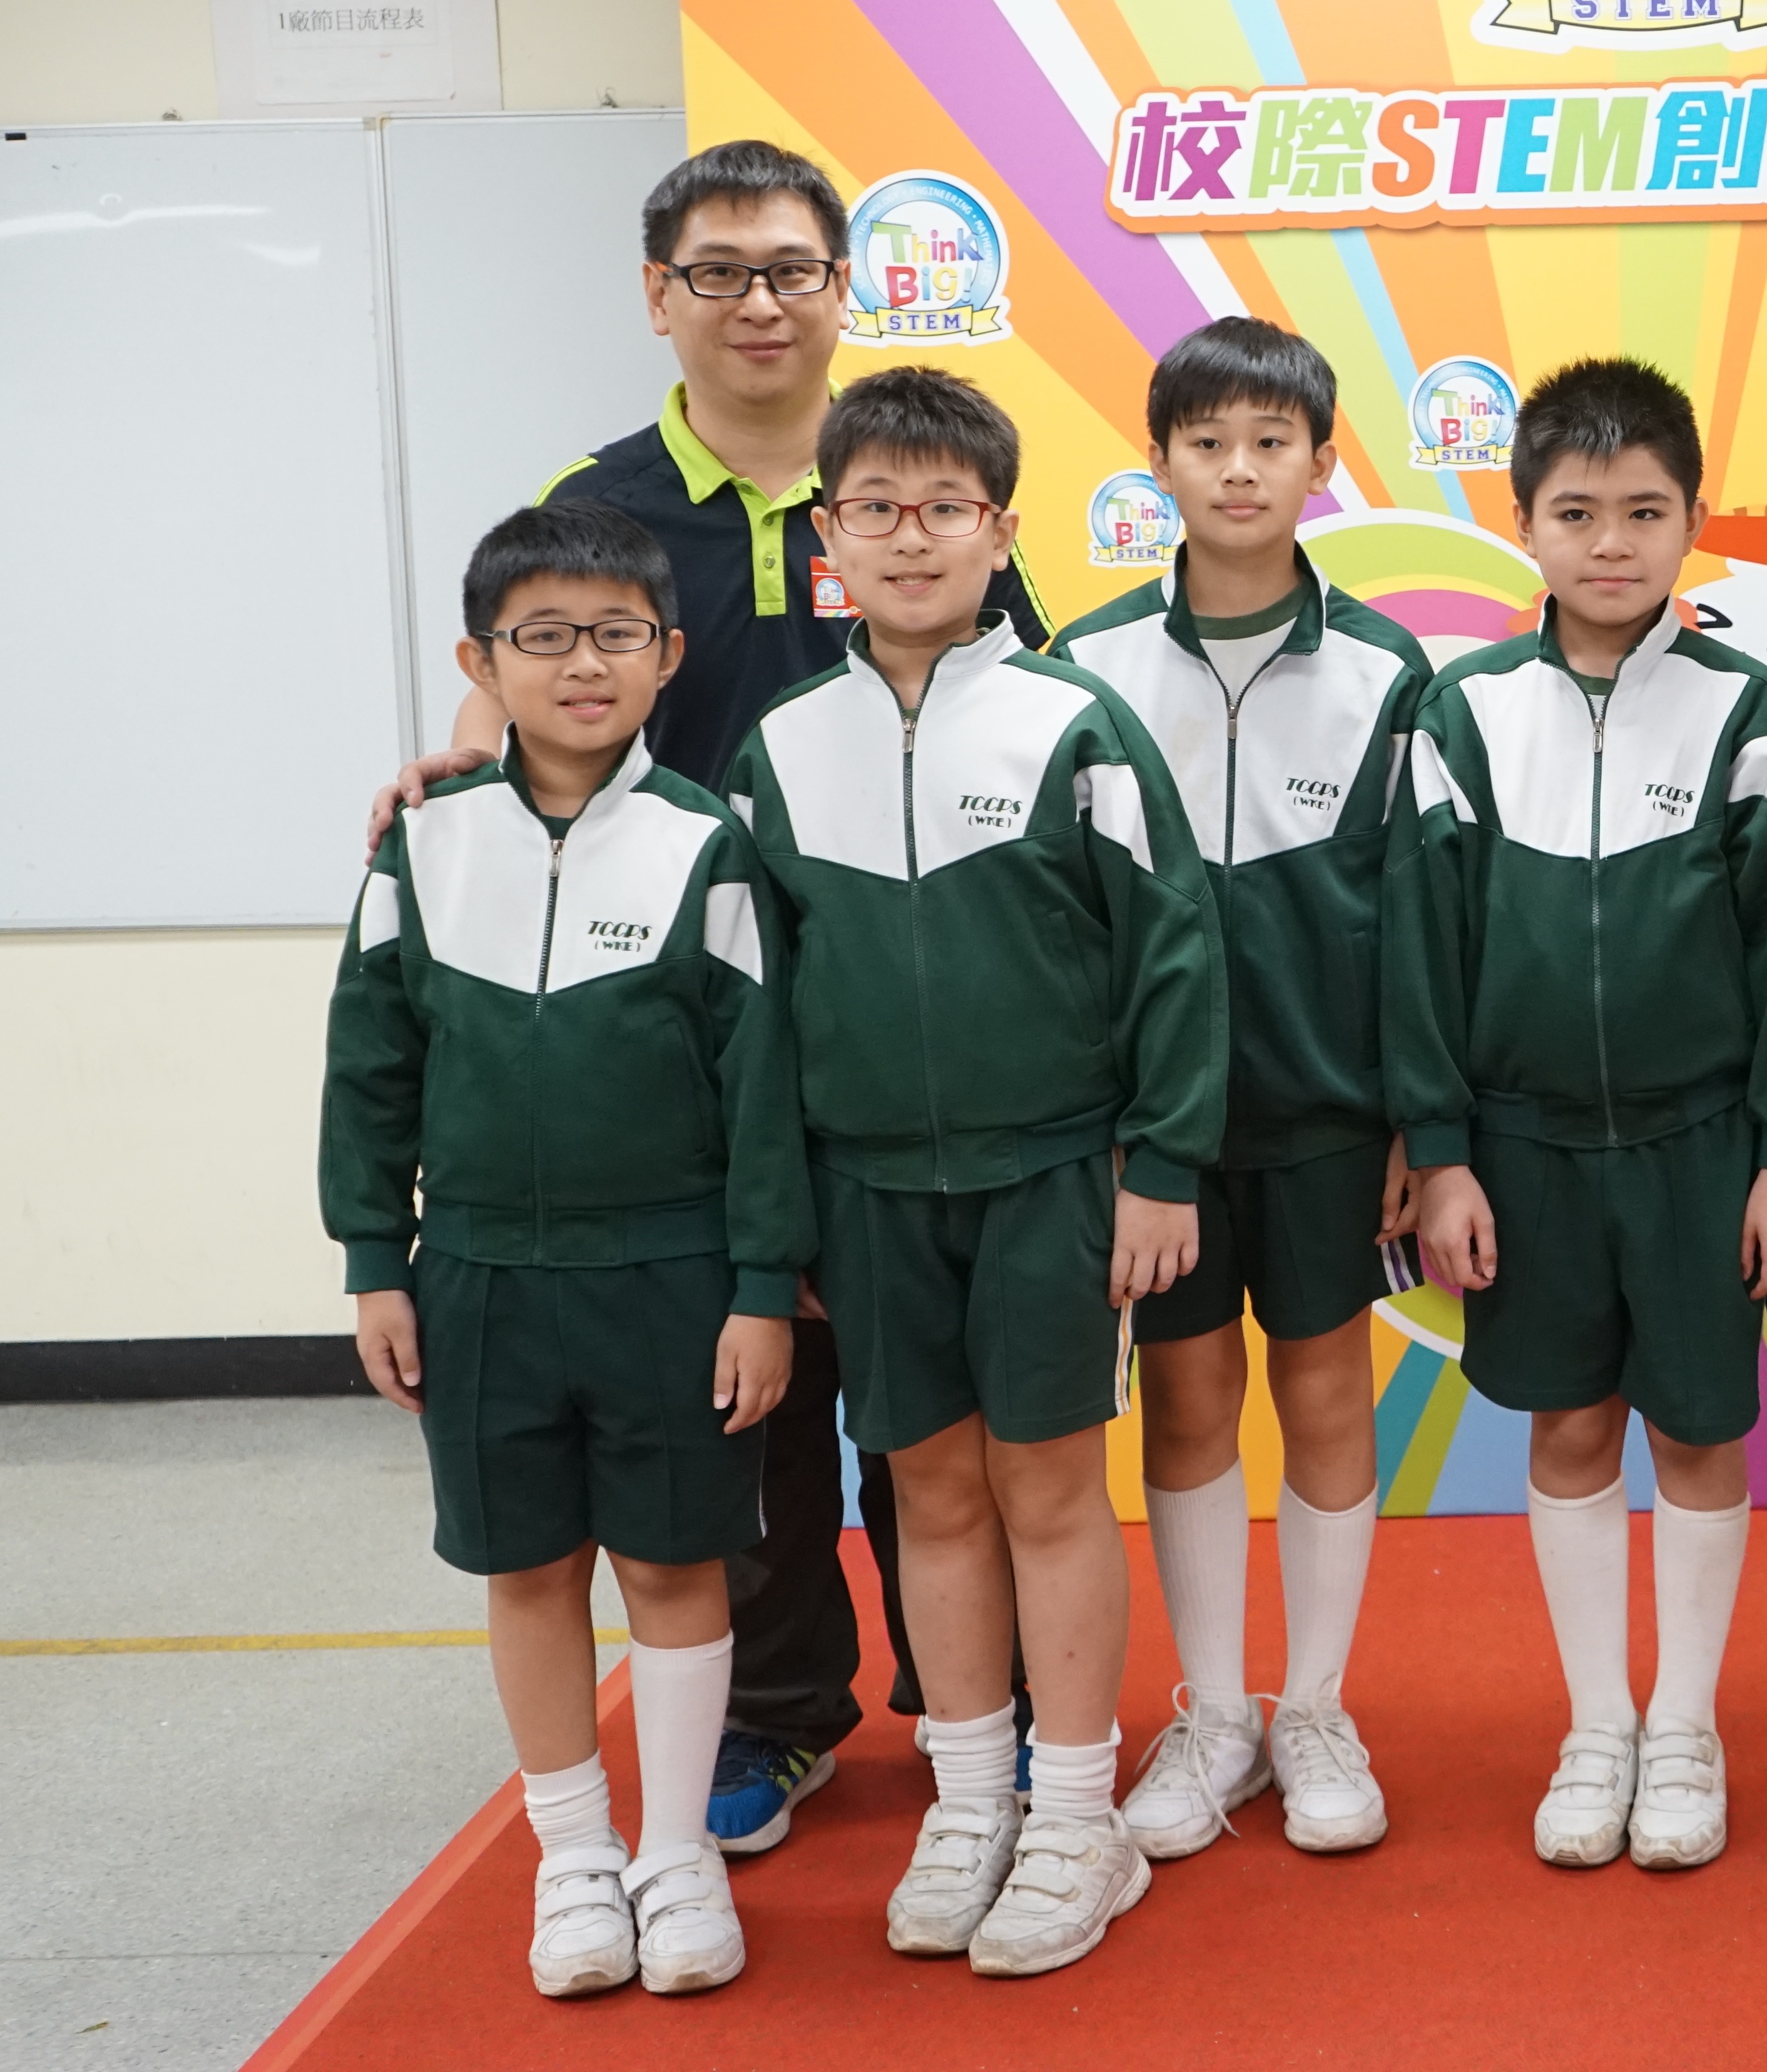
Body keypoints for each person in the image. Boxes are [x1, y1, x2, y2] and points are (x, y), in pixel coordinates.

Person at [369, 139, 1054, 1857]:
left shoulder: (907, 479)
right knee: (754, 1387)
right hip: (690, 1029)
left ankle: (982, 1706)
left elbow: (1018, 706)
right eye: (720, 270)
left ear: (844, 289)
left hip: (911, 1025)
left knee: (935, 1397)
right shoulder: (602, 499)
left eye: (793, 269)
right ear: (658, 294)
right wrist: (455, 774)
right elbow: (528, 685)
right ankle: (779, 1707)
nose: (760, 302)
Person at [725, 367, 1228, 1978]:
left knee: (1049, 1489)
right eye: (875, 506)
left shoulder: (1076, 721)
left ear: (1001, 529)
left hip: (1052, 1176)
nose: (910, 535)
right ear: (830, 534)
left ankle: (1074, 1815)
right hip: (868, 1193)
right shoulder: (779, 747)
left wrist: (1164, 1163)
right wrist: (779, 1223)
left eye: (945, 506)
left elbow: (1174, 954)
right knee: (930, 1494)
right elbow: (752, 1012)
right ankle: (968, 1800)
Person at [324, 500, 806, 1998]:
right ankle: (577, 1854)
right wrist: (375, 1257)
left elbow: (762, 1090)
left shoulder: (711, 845)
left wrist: (760, 1285)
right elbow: (370, 1067)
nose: (582, 664)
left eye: (614, 634)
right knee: (528, 1567)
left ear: (669, 655)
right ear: (482, 660)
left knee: (672, 1563)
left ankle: (676, 1852)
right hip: (477, 1274)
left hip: (669, 1274)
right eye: (543, 636)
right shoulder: (423, 843)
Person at [1384, 357, 1767, 1873]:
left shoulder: (1745, 706)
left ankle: (1686, 1723)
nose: (1611, 541)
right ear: (1524, 523)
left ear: (1692, 520)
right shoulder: (1464, 709)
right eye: (1576, 510)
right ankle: (1599, 1723)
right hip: (1523, 1147)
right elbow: (1422, 948)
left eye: (1645, 510)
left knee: (1702, 1431)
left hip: (1705, 1143)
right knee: (1572, 1422)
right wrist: (1441, 1152)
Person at [1052, 318, 1432, 1858]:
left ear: (1322, 463)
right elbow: (1068, 923)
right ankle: (1215, 1713)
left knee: (1328, 1390)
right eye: (1206, 441)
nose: (1238, 468)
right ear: (1158, 463)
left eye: (1272, 441)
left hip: (1328, 1114)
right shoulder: (1085, 666)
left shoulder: (1388, 669)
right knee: (1192, 1396)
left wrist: (1413, 1116)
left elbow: (1418, 916)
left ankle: (1316, 1703)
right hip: (1160, 1132)